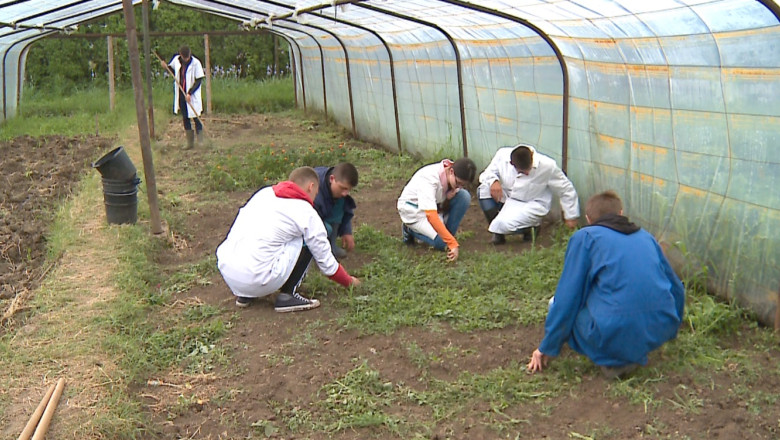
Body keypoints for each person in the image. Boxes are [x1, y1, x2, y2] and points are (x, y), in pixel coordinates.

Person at [527, 190, 685, 379]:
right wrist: (671, 328)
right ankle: (637, 345)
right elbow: (676, 287)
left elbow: (568, 297)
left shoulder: (586, 237)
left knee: (555, 303)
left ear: (588, 219)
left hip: (614, 331)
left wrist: (547, 346)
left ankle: (614, 359)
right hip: (660, 327)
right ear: (621, 213)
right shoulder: (646, 237)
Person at [216, 166, 361, 312]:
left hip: (228, 273)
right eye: (316, 193)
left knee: (258, 230)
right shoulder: (306, 212)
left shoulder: (264, 193)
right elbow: (326, 263)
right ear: (311, 187)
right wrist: (349, 281)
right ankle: (287, 295)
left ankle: (246, 295)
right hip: (260, 279)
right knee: (306, 237)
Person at [477, 144, 580, 244]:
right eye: (523, 171)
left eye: (529, 169)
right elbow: (487, 173)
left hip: (531, 203)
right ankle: (499, 234)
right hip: (508, 197)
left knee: (503, 225)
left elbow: (566, 189)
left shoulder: (548, 166)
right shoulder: (502, 155)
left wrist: (571, 216)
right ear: (512, 164)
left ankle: (530, 229)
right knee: (483, 191)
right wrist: (494, 181)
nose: (527, 173)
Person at [397, 158, 477, 262]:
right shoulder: (430, 179)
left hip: (434, 207)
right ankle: (409, 229)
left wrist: (448, 196)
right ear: (451, 171)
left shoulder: (450, 172)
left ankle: (447, 235)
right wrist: (452, 243)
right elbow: (431, 215)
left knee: (464, 196)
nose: (459, 187)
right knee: (443, 243)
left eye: (463, 185)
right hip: (414, 211)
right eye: (458, 183)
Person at [162, 45, 205, 149]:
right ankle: (190, 143)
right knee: (185, 117)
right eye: (184, 57)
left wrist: (190, 93)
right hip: (181, 94)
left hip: (192, 95)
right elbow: (174, 73)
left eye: (187, 57)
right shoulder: (176, 60)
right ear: (181, 55)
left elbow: (199, 80)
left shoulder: (196, 63)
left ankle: (201, 142)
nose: (186, 59)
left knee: (196, 117)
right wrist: (166, 67)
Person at [314, 163, 358, 259]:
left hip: (322, 210)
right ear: (332, 179)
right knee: (326, 229)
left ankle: (331, 246)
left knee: (341, 203)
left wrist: (347, 231)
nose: (345, 193)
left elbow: (345, 210)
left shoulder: (336, 184)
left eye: (348, 190)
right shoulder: (314, 190)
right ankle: (318, 253)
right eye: (343, 188)